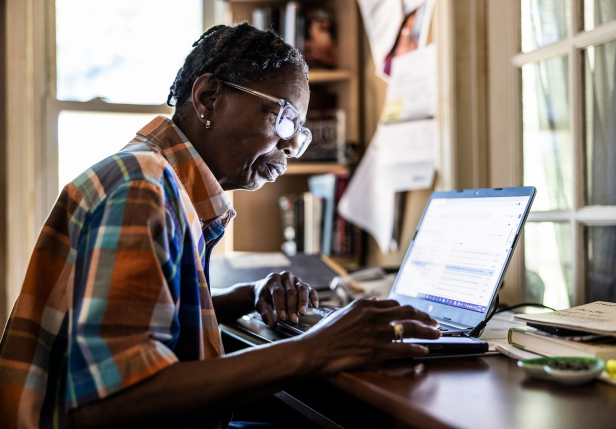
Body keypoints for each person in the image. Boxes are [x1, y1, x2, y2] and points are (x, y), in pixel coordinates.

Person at [0, 23, 440, 429]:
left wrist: (247, 296)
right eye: (284, 117)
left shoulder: (156, 179)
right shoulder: (143, 191)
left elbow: (158, 316)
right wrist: (317, 348)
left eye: (299, 132)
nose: (290, 145)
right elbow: (109, 404)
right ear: (209, 97)